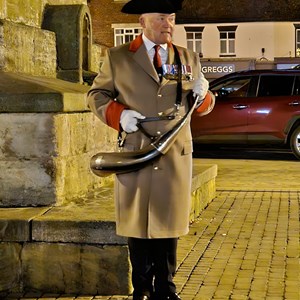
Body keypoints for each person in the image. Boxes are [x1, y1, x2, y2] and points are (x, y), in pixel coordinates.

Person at [87, 0, 215, 299]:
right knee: (137, 223)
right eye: (160, 18)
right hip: (138, 150)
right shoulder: (118, 57)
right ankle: (141, 286)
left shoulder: (188, 57)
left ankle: (166, 287)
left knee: (169, 224)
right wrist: (120, 116)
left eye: (171, 18)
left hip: (174, 151)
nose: (168, 25)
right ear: (143, 21)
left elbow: (202, 108)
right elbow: (96, 94)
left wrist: (205, 95)